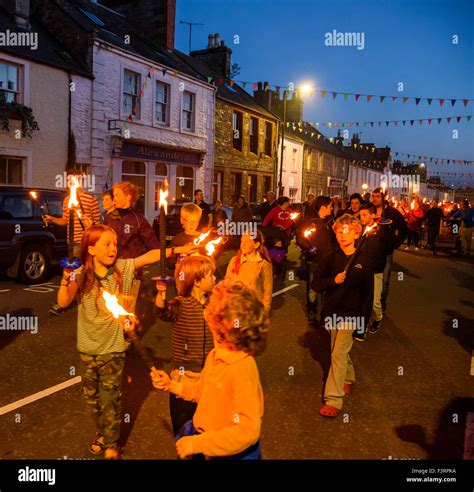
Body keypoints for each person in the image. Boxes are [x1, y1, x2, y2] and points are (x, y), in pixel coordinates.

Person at [56, 225, 197, 459]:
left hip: (112, 349)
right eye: (107, 244)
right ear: (91, 249)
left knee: (110, 399)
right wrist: (64, 280)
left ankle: (111, 444)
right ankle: (103, 431)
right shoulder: (82, 274)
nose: (113, 249)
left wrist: (180, 249)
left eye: (114, 244)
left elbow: (149, 256)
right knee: (93, 401)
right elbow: (63, 302)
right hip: (87, 349)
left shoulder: (122, 268)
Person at [151, 281, 269, 459]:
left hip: (226, 454)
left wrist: (198, 443)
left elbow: (248, 431)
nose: (207, 308)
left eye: (211, 306)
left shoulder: (241, 368)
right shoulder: (215, 355)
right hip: (205, 445)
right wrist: (172, 385)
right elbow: (201, 391)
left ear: (219, 323)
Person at [313, 215, 373, 417]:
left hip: (352, 315)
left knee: (338, 354)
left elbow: (368, 294)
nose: (342, 235)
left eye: (347, 231)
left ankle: (333, 399)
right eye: (339, 231)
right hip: (332, 313)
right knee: (337, 351)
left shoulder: (364, 261)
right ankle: (348, 376)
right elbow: (316, 284)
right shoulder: (330, 256)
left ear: (357, 233)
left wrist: (362, 325)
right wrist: (333, 280)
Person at [155, 256, 216, 436]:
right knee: (184, 428)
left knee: (208, 429)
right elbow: (162, 311)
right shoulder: (180, 304)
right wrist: (161, 294)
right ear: (196, 281)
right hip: (184, 377)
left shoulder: (214, 303)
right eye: (210, 275)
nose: (214, 278)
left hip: (210, 375)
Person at [45, 170, 101, 315]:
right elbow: (65, 220)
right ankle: (67, 299)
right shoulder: (67, 200)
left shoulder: (90, 199)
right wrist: (53, 219)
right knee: (73, 272)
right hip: (72, 242)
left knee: (85, 272)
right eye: (68, 180)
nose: (70, 183)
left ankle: (71, 301)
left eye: (73, 180)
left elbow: (97, 223)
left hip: (86, 242)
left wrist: (86, 219)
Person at [296, 196, 336, 323]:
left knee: (327, 287)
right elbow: (300, 238)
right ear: (323, 207)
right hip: (314, 261)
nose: (332, 208)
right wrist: (309, 249)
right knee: (313, 287)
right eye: (330, 206)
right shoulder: (309, 221)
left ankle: (326, 312)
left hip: (328, 261)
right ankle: (312, 310)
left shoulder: (330, 222)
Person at [371, 188, 408, 312]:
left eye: (377, 196)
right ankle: (370, 302)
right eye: (373, 196)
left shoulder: (392, 213)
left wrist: (395, 243)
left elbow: (404, 229)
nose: (374, 199)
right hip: (371, 250)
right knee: (369, 278)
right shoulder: (370, 210)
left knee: (384, 280)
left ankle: (381, 304)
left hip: (386, 251)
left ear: (384, 197)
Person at [355, 204, 387, 340]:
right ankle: (361, 328)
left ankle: (378, 317)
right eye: (360, 215)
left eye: (364, 215)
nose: (361, 218)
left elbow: (382, 250)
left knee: (374, 301)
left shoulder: (380, 230)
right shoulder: (360, 229)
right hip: (361, 270)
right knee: (362, 300)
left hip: (375, 271)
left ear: (373, 215)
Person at [225, 231, 273, 315]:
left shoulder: (263, 264)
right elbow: (227, 283)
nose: (242, 245)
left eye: (247, 242)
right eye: (242, 241)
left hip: (254, 311)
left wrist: (265, 311)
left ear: (256, 245)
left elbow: (267, 291)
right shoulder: (234, 260)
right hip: (236, 309)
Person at [167, 203, 203, 270]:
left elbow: (210, 263)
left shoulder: (203, 239)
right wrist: (181, 253)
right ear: (182, 220)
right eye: (188, 220)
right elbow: (170, 264)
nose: (192, 224)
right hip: (182, 276)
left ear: (198, 222)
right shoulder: (177, 239)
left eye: (195, 221)